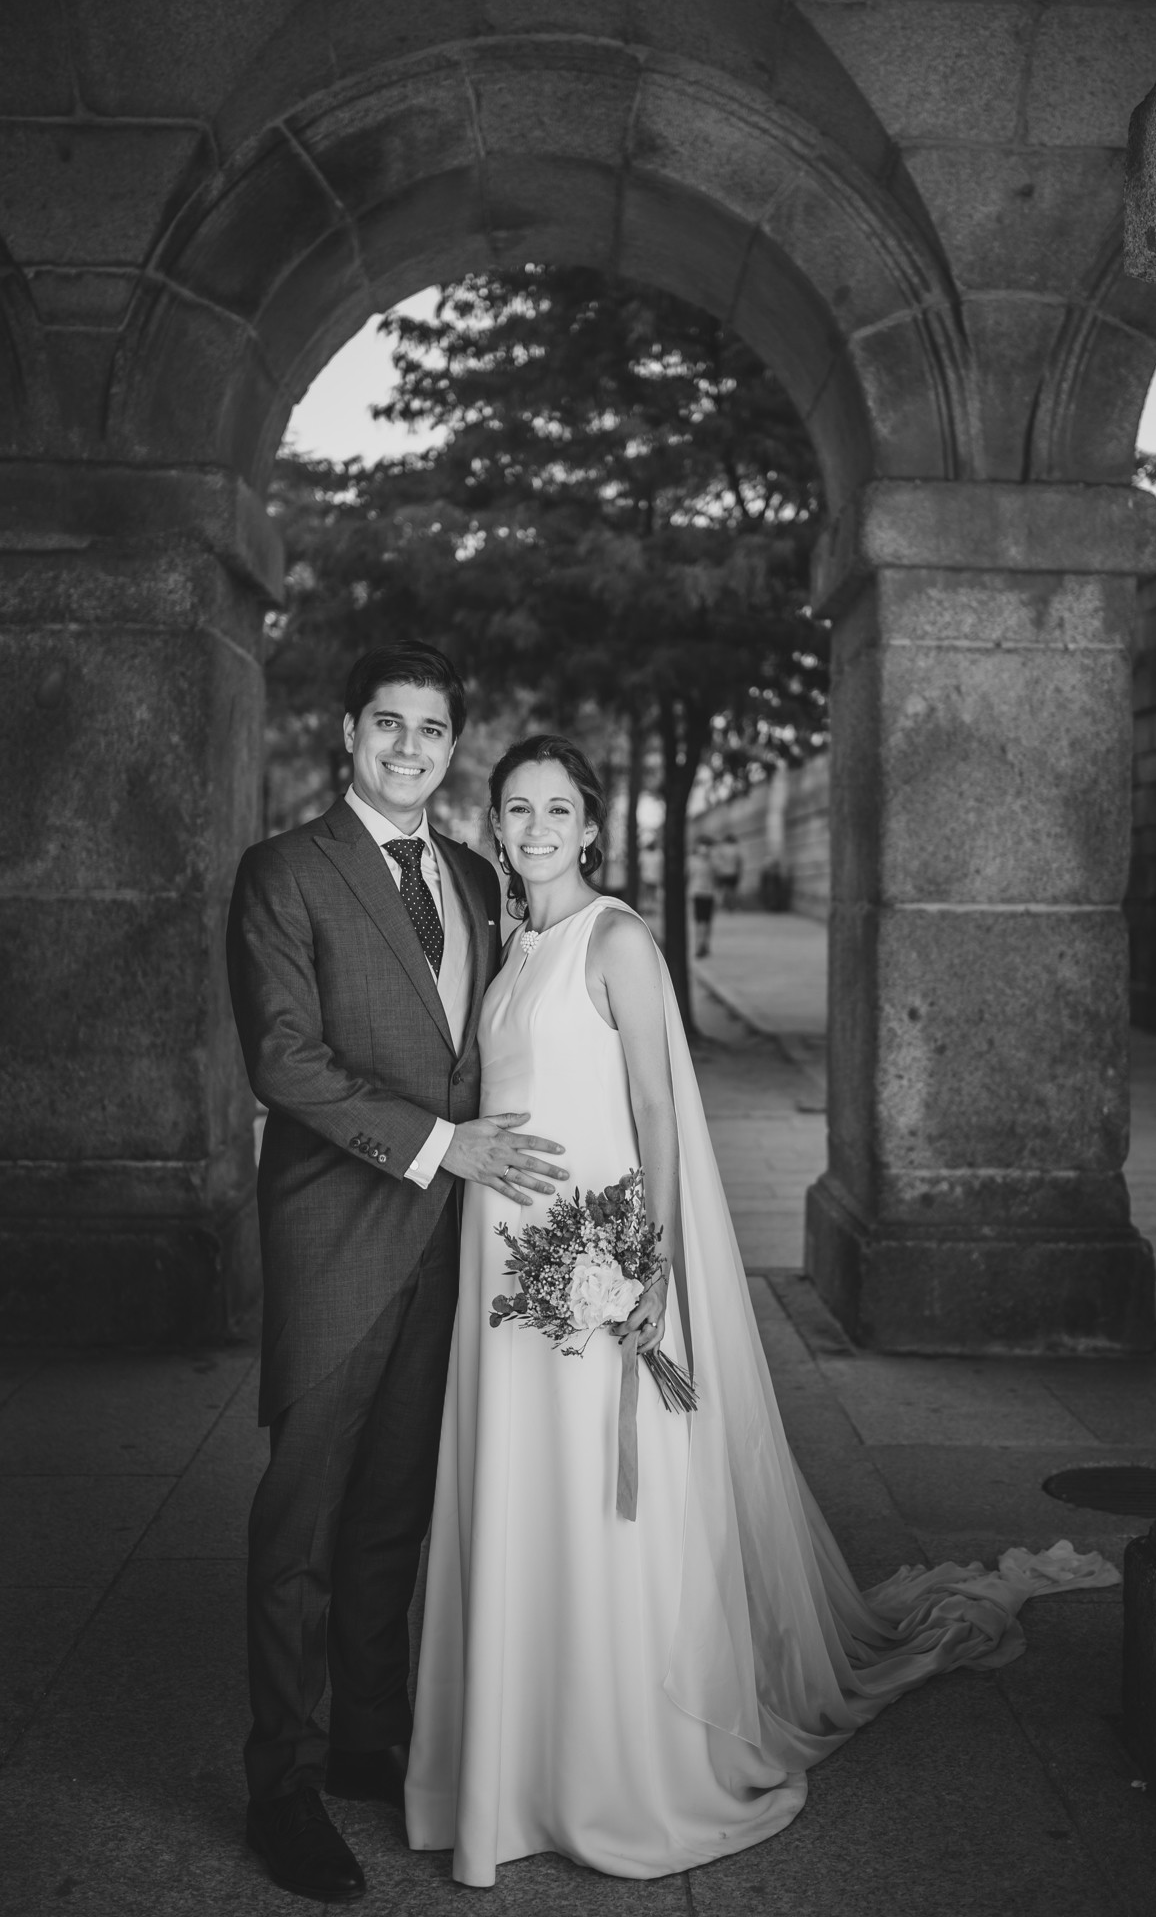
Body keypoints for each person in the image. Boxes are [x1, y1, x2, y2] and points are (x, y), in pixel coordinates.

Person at [404, 735, 1117, 1885]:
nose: (535, 826)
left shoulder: (617, 938)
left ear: (591, 824)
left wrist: (650, 1268)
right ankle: (513, 1761)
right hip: (506, 1272)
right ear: (497, 823)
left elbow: (655, 1106)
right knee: (520, 1492)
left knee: (600, 1507)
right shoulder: (512, 942)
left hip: (600, 1259)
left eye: (557, 808)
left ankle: (614, 1762)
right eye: (516, 808)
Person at [226, 642, 569, 1905]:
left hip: (451, 1250)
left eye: (432, 729)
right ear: (349, 735)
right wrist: (441, 1143)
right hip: (335, 1235)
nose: (410, 748)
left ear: (451, 745)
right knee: (300, 1522)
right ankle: (281, 1784)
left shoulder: (480, 877)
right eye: (389, 725)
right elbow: (284, 1059)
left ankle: (365, 1735)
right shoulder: (284, 873)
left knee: (392, 1511)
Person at [686, 834, 715, 957]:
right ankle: (699, 945)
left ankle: (705, 944)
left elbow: (717, 876)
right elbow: (688, 876)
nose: (705, 849)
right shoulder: (692, 861)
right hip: (697, 892)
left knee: (707, 921)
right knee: (699, 921)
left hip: (709, 893)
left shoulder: (712, 861)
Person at [711, 830, 743, 911]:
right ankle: (733, 906)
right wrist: (739, 871)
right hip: (733, 872)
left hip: (722, 872)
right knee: (733, 890)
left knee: (721, 891)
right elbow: (739, 861)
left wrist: (717, 870)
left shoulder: (721, 848)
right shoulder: (736, 848)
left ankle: (720, 906)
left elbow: (717, 860)